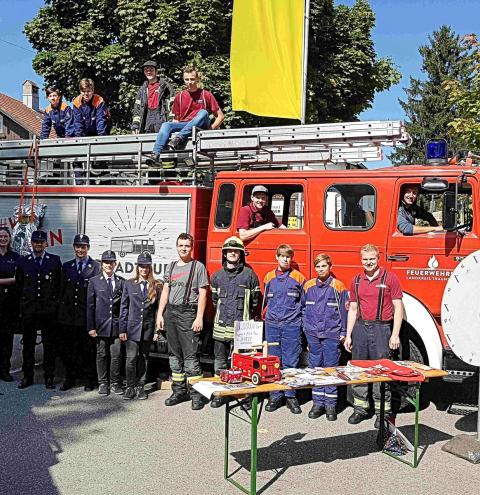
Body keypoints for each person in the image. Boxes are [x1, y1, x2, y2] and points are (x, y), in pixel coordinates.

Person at [344, 244, 403, 427]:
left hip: (381, 328)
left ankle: (382, 413)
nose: (368, 262)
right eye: (365, 259)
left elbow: (398, 307)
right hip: (360, 328)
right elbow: (353, 310)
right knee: (359, 370)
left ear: (378, 259)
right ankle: (360, 408)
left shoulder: (390, 278)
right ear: (361, 260)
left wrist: (395, 335)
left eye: (372, 259)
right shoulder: (356, 280)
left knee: (381, 371)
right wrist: (348, 335)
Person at [156, 233, 209, 410]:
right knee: (174, 355)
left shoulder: (198, 267)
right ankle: (179, 391)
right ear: (176, 246)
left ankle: (196, 395)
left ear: (191, 247)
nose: (183, 248)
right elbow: (165, 291)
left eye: (187, 245)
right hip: (171, 313)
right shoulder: (171, 267)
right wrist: (160, 314)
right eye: (180, 245)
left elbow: (203, 294)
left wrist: (199, 317)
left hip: (188, 314)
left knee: (191, 357)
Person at [209, 236, 260, 408]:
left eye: (235, 251)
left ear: (240, 254)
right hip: (221, 327)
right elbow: (214, 300)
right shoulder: (217, 276)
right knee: (220, 362)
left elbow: (255, 301)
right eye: (229, 251)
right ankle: (220, 394)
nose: (232, 253)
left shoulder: (249, 275)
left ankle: (244, 395)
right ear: (224, 254)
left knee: (243, 363)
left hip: (242, 329)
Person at [303, 253, 348, 421]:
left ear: (330, 267)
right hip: (313, 334)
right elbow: (303, 310)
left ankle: (330, 406)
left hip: (331, 334)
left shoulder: (338, 287)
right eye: (318, 266)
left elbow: (344, 312)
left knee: (330, 370)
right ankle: (317, 404)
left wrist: (343, 332)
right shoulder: (308, 286)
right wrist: (306, 331)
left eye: (324, 266)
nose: (320, 269)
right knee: (316, 369)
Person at [16, 230, 62, 389]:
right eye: (36, 242)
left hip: (48, 311)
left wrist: (54, 306)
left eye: (41, 242)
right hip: (30, 311)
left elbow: (58, 286)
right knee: (28, 345)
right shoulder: (23, 261)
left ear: (46, 244)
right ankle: (27, 376)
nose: (38, 245)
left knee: (49, 345)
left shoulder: (55, 261)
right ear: (32, 243)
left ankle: (49, 376)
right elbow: (19, 286)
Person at [149, 65, 224, 162]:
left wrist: (210, 130)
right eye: (187, 79)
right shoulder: (179, 96)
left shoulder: (206, 94)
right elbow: (176, 119)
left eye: (192, 79)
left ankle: (179, 138)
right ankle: (155, 154)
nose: (190, 82)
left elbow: (220, 117)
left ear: (197, 79)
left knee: (203, 112)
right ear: (183, 80)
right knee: (166, 124)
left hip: (201, 125)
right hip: (185, 125)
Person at [263, 244, 306, 414]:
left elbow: (303, 305)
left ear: (291, 259)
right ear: (276, 257)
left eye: (288, 257)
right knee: (273, 361)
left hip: (291, 326)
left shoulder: (299, 278)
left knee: (291, 362)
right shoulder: (268, 277)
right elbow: (265, 303)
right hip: (272, 325)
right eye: (282, 256)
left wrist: (299, 324)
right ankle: (275, 396)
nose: (285, 259)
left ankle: (290, 396)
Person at [58, 234, 100, 392]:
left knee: (87, 350)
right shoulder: (67, 266)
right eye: (77, 246)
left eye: (83, 247)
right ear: (74, 247)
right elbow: (61, 291)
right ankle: (70, 378)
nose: (80, 249)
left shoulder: (96, 267)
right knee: (69, 349)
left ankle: (89, 379)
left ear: (88, 248)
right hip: (69, 316)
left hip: (86, 317)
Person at [119, 252, 161, 400]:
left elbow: (157, 310)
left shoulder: (156, 285)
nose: (144, 269)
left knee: (144, 357)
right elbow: (124, 307)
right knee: (131, 359)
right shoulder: (129, 284)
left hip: (147, 329)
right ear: (137, 267)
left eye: (146, 266)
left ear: (150, 268)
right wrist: (122, 329)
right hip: (131, 328)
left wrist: (156, 330)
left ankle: (140, 386)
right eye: (141, 266)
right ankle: (130, 387)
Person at [87, 250, 125, 396]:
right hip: (100, 326)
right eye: (106, 262)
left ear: (115, 264)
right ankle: (102, 383)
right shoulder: (94, 281)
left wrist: (123, 327)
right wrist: (91, 327)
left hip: (116, 326)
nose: (109, 265)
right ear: (101, 264)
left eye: (111, 262)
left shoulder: (121, 282)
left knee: (116, 355)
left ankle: (115, 382)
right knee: (101, 354)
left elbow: (123, 307)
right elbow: (90, 306)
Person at [0, 227, 20, 382]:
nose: (3, 239)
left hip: (9, 304)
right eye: (0, 236)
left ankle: (5, 370)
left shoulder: (15, 257)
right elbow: (12, 278)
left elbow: (18, 278)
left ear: (9, 238)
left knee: (7, 339)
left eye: (5, 236)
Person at [131, 60, 173, 134]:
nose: (149, 72)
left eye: (151, 70)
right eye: (146, 70)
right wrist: (135, 124)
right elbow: (137, 109)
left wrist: (171, 120)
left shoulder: (165, 87)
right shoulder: (142, 90)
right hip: (147, 120)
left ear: (156, 72)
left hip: (161, 117)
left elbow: (173, 105)